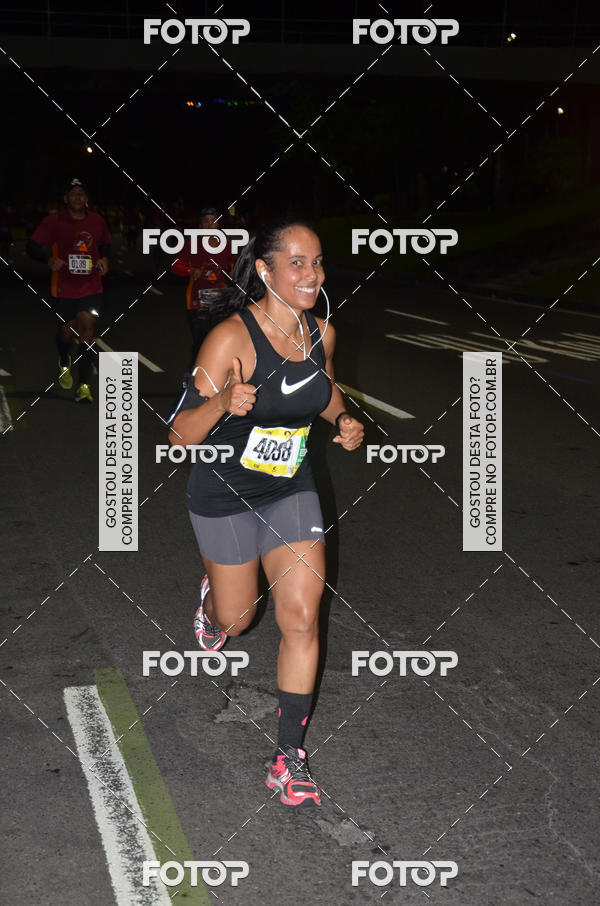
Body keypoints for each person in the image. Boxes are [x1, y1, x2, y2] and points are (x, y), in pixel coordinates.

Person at [168, 219, 364, 807]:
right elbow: (179, 434)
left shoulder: (322, 333)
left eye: (318, 261)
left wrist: (342, 418)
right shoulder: (230, 338)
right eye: (297, 263)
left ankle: (288, 759)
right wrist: (223, 402)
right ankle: (213, 604)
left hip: (289, 489)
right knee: (238, 620)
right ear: (264, 269)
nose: (312, 274)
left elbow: (322, 390)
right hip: (223, 492)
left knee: (302, 616)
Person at [27, 178, 110, 403]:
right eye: (73, 194)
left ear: (86, 199)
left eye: (81, 194)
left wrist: (104, 259)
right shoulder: (54, 221)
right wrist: (48, 259)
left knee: (87, 331)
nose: (77, 197)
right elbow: (31, 246)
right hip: (63, 287)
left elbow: (104, 243)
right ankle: (64, 360)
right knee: (66, 332)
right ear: (66, 199)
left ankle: (84, 386)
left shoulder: (96, 220)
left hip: (91, 286)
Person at [171, 206, 237, 369]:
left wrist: (233, 270)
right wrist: (191, 270)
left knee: (220, 343)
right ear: (200, 226)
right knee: (201, 345)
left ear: (218, 225)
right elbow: (176, 265)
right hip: (197, 301)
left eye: (213, 221)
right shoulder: (192, 245)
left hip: (220, 300)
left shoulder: (227, 245)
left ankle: (217, 377)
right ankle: (194, 378)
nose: (209, 225)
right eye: (206, 222)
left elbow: (234, 263)